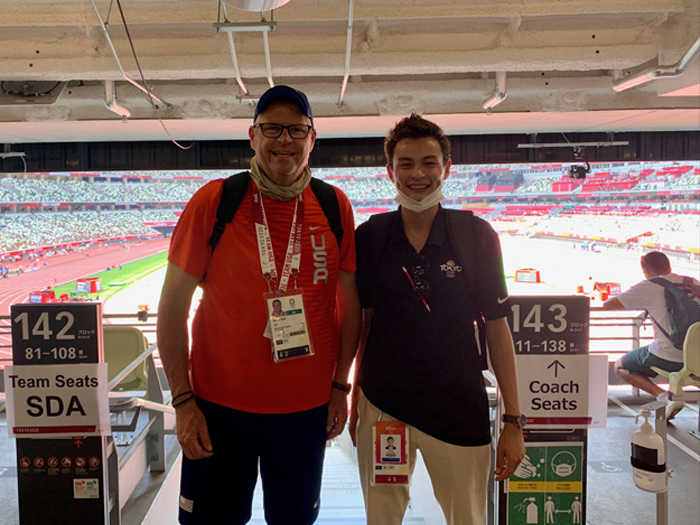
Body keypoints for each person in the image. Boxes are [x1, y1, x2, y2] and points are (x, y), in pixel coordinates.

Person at [157, 85, 361, 525]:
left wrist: (340, 388)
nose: (283, 140)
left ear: (312, 139)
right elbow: (171, 309)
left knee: (293, 520)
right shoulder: (215, 201)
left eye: (296, 129)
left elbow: (349, 308)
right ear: (253, 136)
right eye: (272, 128)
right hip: (218, 408)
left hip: (304, 412)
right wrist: (183, 402)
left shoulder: (333, 205)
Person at [351, 114, 525, 525]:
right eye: (406, 163)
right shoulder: (370, 236)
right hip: (384, 409)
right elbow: (364, 323)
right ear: (389, 171)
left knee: (467, 519)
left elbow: (497, 329)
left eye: (429, 162)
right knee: (382, 519)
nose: (418, 174)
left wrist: (514, 421)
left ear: (447, 168)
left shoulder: (477, 235)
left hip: (458, 409)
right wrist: (355, 395)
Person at [603, 250, 700, 420]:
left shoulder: (646, 286)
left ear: (646, 271)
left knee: (620, 366)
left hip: (668, 356)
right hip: (697, 356)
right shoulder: (692, 282)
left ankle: (664, 397)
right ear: (668, 266)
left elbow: (608, 305)